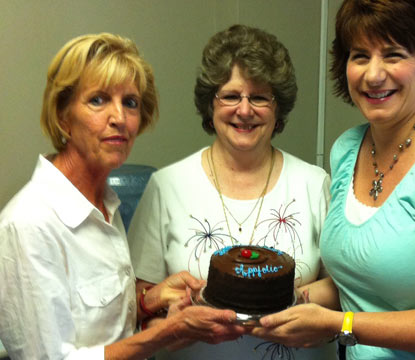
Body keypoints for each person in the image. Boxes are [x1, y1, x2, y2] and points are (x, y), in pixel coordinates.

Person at [250, 1, 415, 359]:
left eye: (393, 55)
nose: (373, 74)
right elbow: (359, 279)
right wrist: (274, 302)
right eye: (360, 56)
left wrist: (340, 325)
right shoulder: (347, 149)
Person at [0, 33, 246, 360]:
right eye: (98, 100)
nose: (119, 118)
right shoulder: (30, 225)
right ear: (63, 116)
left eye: (130, 102)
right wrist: (168, 332)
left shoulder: (104, 207)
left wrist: (147, 302)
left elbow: (101, 329)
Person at [128, 24, 336, 359]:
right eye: (230, 95)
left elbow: (342, 286)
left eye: (259, 97)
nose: (244, 110)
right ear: (210, 104)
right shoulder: (167, 186)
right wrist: (171, 324)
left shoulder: (314, 183)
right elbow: (139, 300)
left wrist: (298, 300)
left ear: (278, 107)